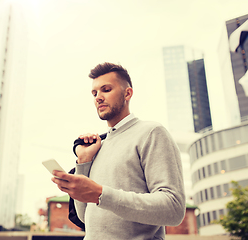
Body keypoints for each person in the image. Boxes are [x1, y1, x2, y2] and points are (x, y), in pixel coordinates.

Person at [52, 62, 185, 240]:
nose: (98, 97)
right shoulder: (98, 146)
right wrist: (83, 163)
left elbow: (173, 209)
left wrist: (100, 194)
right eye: (94, 93)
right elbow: (86, 218)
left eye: (106, 90)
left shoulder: (151, 132)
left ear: (127, 93)